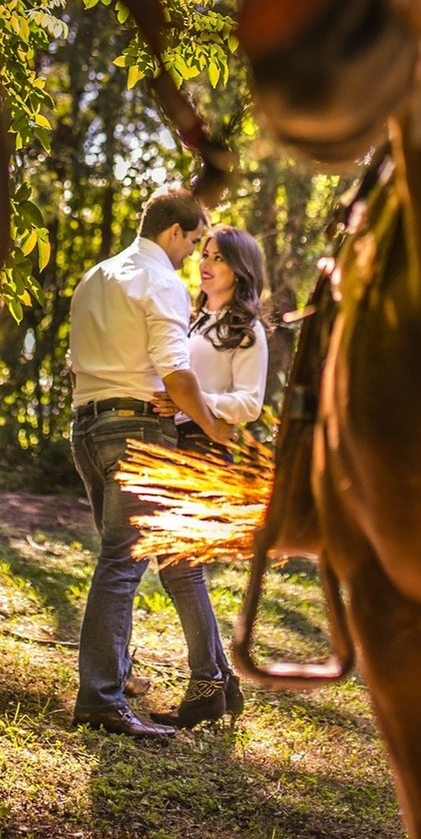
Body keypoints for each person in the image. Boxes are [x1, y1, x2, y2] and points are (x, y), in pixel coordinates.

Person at [68, 185, 232, 739]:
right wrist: (215, 428)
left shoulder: (96, 277)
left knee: (115, 560)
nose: (193, 254)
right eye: (194, 242)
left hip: (87, 427)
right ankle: (101, 700)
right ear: (173, 232)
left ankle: (116, 684)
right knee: (121, 565)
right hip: (136, 431)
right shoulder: (161, 280)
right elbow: (178, 376)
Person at [149, 226, 269, 728]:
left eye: (217, 257)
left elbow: (250, 403)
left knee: (179, 566)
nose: (205, 263)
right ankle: (223, 681)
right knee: (178, 565)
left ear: (239, 269)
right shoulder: (198, 321)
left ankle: (206, 685)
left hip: (205, 452)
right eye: (205, 254)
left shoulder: (247, 329)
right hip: (182, 443)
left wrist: (192, 402)